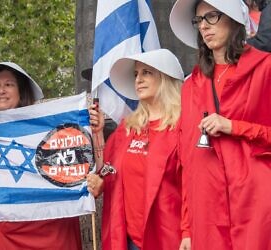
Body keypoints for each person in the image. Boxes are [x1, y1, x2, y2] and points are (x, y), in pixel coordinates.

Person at [170, 0, 271, 249]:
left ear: (233, 19)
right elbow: (187, 161)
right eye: (199, 20)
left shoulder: (265, 69)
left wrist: (233, 127)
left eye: (212, 17)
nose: (204, 26)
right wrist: (186, 229)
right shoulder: (190, 86)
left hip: (254, 207)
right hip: (207, 213)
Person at [0, 62, 82, 250]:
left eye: (9, 84)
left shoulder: (48, 126)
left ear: (21, 91)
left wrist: (93, 131)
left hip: (42, 227)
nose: (1, 91)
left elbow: (72, 166)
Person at [87, 49, 185, 250]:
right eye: (136, 74)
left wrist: (189, 233)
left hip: (169, 238)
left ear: (166, 78)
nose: (138, 79)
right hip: (129, 241)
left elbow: (194, 190)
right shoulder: (128, 127)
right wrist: (97, 135)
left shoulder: (184, 126)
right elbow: (108, 171)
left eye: (147, 72)